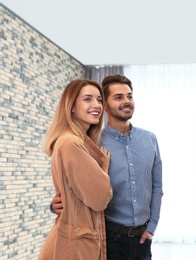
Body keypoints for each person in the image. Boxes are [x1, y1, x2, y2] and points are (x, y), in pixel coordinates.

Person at [52, 74, 163, 260]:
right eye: (118, 97)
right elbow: (76, 186)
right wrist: (54, 204)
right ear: (105, 105)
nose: (126, 101)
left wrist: (152, 227)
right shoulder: (91, 143)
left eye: (129, 96)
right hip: (109, 239)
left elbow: (157, 187)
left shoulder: (150, 139)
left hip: (143, 239)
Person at [39, 79, 113, 260]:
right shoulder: (71, 142)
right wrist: (103, 167)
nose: (96, 105)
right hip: (76, 244)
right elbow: (100, 198)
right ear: (71, 106)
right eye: (87, 99)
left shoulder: (74, 141)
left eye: (98, 100)